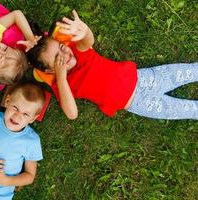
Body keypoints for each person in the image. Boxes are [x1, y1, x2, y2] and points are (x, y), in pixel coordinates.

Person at [27, 10, 198, 120]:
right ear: (51, 70)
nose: (65, 54)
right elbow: (72, 114)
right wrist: (62, 77)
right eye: (57, 57)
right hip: (137, 103)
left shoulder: (77, 51)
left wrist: (84, 30)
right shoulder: (61, 85)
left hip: (144, 79)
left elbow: (88, 41)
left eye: (62, 47)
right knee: (185, 110)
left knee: (188, 71)